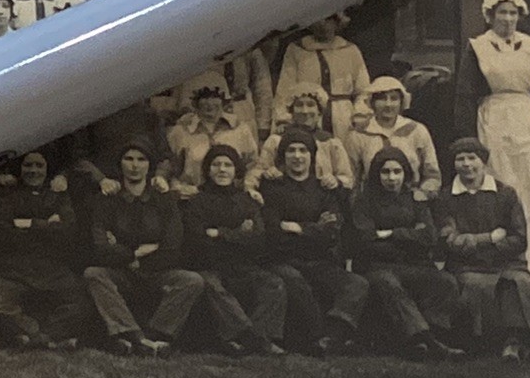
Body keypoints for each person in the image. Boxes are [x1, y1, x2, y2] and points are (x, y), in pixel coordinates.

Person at [454, 0, 530, 275]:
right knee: (502, 184)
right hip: (494, 120)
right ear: (490, 16)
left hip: (529, 122)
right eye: (502, 13)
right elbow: (465, 95)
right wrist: (468, 143)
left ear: (520, 16)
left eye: (513, 13)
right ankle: (502, 258)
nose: (507, 19)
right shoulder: (478, 47)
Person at [80, 138, 205, 356]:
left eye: (141, 159)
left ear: (150, 165)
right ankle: (132, 334)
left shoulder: (163, 200)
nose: (135, 165)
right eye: (128, 159)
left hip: (156, 272)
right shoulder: (106, 201)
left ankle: (155, 335)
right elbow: (100, 247)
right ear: (120, 164)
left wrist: (128, 254)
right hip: (121, 273)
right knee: (94, 274)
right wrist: (133, 254)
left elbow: (172, 246)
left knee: (192, 280)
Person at [439, 136, 530, 362]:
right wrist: (489, 238)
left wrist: (481, 246)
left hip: (506, 261)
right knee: (475, 285)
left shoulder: (506, 194)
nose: (466, 164)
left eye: (471, 158)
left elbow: (519, 238)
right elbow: (449, 240)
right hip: (466, 265)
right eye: (460, 159)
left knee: (517, 282)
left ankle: (514, 342)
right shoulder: (446, 197)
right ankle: (487, 341)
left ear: (483, 162)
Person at [257, 127, 371, 356]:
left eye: (303, 151)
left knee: (357, 284)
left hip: (320, 261)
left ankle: (330, 335)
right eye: (291, 151)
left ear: (312, 155)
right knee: (294, 280)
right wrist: (313, 229)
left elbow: (331, 231)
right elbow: (273, 233)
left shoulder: (323, 189)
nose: (297, 156)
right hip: (285, 261)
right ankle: (319, 336)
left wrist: (297, 228)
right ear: (283, 156)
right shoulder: (272, 190)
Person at [348, 145, 466, 359]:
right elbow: (365, 241)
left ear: (405, 174)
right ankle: (424, 340)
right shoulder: (364, 202)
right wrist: (410, 236)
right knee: (388, 283)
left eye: (397, 172)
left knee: (445, 282)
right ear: (376, 174)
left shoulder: (415, 199)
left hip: (413, 264)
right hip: (377, 266)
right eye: (385, 172)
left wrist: (391, 234)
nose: (391, 178)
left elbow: (429, 237)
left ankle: (432, 335)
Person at [180, 145, 289, 355]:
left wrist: (219, 234)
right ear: (208, 170)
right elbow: (197, 241)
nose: (222, 170)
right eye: (216, 165)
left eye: (228, 165)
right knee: (212, 285)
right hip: (211, 266)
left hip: (242, 266)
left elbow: (258, 240)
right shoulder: (196, 202)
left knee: (274, 284)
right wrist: (238, 234)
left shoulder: (247, 201)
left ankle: (255, 336)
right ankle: (251, 338)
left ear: (236, 170)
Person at [0, 152, 85, 347]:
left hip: (52, 268)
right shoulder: (8, 195)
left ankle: (43, 336)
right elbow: (0, 231)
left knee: (82, 304)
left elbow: (68, 231)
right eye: (28, 165)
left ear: (47, 170)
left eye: (39, 166)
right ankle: (37, 334)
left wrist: (29, 224)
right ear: (20, 168)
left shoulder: (58, 196)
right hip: (14, 268)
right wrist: (47, 226)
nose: (34, 170)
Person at [274, 12, 371, 144]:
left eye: (328, 20)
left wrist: (360, 113)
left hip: (343, 117)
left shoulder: (350, 50)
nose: (323, 25)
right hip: (308, 114)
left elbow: (363, 90)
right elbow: (285, 89)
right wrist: (283, 118)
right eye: (318, 20)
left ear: (337, 22)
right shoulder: (297, 50)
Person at [248, 82, 355, 195]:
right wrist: (267, 174)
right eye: (299, 105)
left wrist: (335, 181)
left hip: (321, 202)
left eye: (310, 105)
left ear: (319, 111)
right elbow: (255, 175)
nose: (305, 111)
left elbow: (347, 178)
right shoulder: (276, 141)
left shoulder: (330, 143)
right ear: (291, 111)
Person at [346, 76, 442, 198]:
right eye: (382, 99)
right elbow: (351, 177)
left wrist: (423, 193)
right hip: (373, 203)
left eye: (394, 98)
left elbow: (432, 174)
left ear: (402, 102)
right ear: (372, 102)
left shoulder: (417, 131)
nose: (388, 104)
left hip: (412, 200)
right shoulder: (359, 134)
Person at [166, 82, 262, 199]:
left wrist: (249, 188)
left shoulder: (241, 130)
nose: (209, 103)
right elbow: (168, 169)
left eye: (215, 97)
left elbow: (254, 165)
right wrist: (180, 189)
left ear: (224, 100)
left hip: (232, 201)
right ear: (195, 102)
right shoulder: (180, 132)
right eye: (205, 97)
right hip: (191, 200)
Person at [167, 50, 275, 140]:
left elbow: (261, 85)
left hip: (241, 109)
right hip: (204, 113)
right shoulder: (196, 46)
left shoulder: (248, 45)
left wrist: (263, 124)